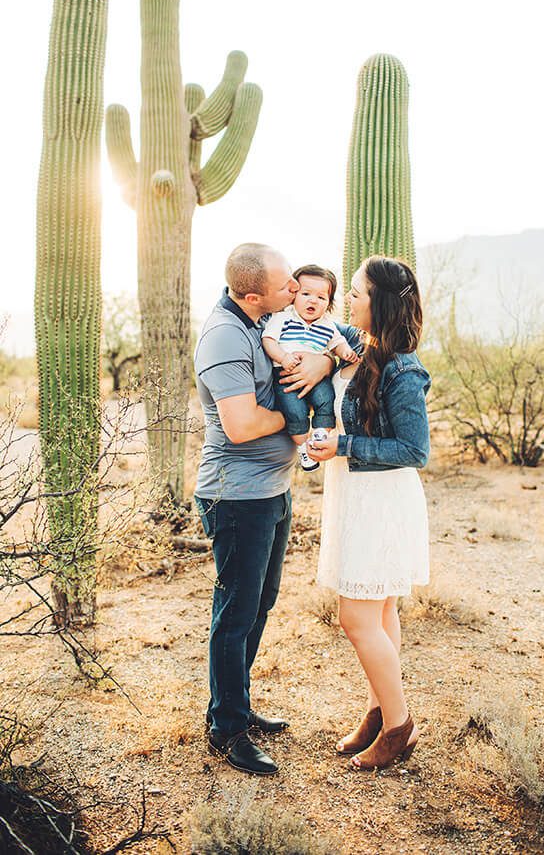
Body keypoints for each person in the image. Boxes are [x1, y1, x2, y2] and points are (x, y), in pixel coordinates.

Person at [194, 242, 338, 776]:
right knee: (236, 612)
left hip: (271, 491)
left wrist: (323, 358)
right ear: (253, 294)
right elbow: (242, 425)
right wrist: (295, 422)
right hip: (236, 497)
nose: (293, 292)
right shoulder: (225, 336)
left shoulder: (259, 321)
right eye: (284, 287)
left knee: (259, 604)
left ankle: (237, 704)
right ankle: (226, 728)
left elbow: (325, 350)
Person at [304, 255, 432, 770]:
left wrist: (344, 444)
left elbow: (415, 449)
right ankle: (381, 710)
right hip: (356, 495)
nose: (348, 299)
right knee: (381, 612)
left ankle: (399, 727)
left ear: (378, 301)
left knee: (355, 616)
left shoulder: (402, 367)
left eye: (356, 291)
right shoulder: (363, 349)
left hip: (380, 502)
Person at [261, 264, 361, 471]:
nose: (313, 300)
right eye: (306, 293)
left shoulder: (327, 325)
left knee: (327, 400)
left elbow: (338, 343)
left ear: (329, 304)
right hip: (285, 375)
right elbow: (268, 340)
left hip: (318, 379)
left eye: (321, 297)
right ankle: (303, 448)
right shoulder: (284, 318)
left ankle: (320, 435)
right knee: (295, 412)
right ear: (294, 296)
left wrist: (345, 353)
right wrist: (283, 356)